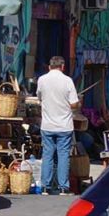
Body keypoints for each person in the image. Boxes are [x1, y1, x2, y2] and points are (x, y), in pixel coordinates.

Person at [36, 56, 80, 196]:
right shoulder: (67, 81)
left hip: (47, 124)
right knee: (63, 155)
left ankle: (45, 187)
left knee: (47, 154)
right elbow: (74, 104)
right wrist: (75, 103)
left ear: (49, 67)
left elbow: (40, 97)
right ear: (63, 67)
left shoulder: (42, 79)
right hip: (64, 126)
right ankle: (63, 188)